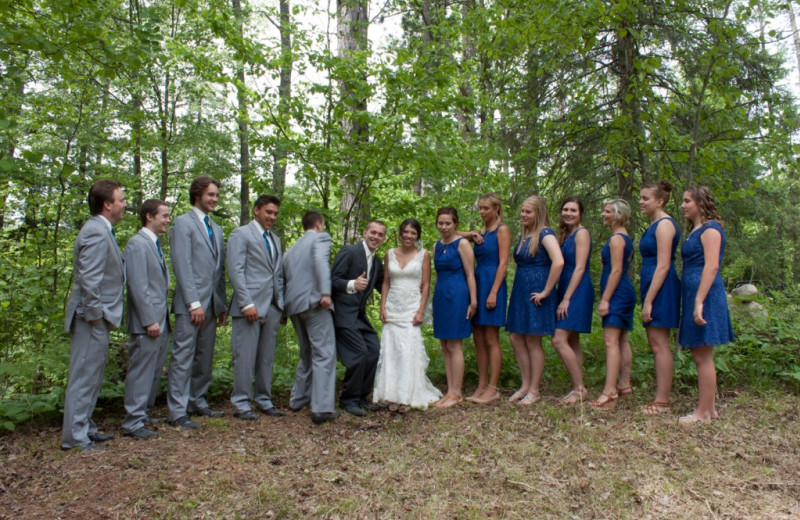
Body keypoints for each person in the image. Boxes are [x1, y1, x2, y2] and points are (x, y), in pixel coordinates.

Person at [62, 179, 126, 452]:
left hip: (98, 316)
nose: (125, 205)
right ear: (107, 204)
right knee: (84, 375)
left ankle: (85, 428)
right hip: (90, 317)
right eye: (121, 200)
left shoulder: (104, 231)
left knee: (93, 375)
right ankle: (74, 438)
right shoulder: (96, 232)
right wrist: (94, 315)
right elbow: (89, 279)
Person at [167, 176, 227, 429]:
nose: (214, 199)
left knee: (204, 356)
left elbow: (218, 271)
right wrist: (193, 303)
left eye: (216, 195)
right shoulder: (182, 223)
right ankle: (177, 411)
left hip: (212, 305)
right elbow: (183, 265)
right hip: (191, 305)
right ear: (197, 194)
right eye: (210, 195)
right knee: (183, 357)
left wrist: (220, 304)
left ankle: (197, 400)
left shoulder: (217, 228)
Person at [678, 186, 734, 424]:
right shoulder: (695, 230)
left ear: (700, 203)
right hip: (694, 293)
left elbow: (711, 266)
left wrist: (699, 300)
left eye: (687, 201)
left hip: (706, 295)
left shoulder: (711, 229)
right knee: (700, 353)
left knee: (703, 355)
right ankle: (709, 409)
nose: (683, 205)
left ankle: (702, 414)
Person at [227, 195, 286, 421]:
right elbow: (236, 270)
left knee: (266, 358)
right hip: (249, 307)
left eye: (275, 214)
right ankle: (241, 403)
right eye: (268, 212)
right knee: (244, 357)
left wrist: (280, 305)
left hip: (272, 307)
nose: (272, 217)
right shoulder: (241, 234)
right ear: (256, 210)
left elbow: (277, 274)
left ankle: (264, 399)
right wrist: (246, 303)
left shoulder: (276, 240)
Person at [373, 218, 442, 412]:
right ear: (400, 233)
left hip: (412, 308)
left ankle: (407, 396)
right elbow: (386, 282)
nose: (409, 236)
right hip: (393, 307)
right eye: (406, 232)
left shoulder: (424, 255)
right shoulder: (389, 254)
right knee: (392, 350)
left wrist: (421, 310)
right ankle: (391, 394)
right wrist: (382, 307)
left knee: (408, 350)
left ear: (417, 236)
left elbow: (427, 284)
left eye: (413, 233)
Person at [505, 196, 564, 405]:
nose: (523, 215)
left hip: (537, 291)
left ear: (538, 214)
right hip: (521, 289)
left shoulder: (545, 234)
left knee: (532, 339)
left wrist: (547, 290)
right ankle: (525, 385)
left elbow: (558, 261)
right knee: (515, 337)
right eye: (522, 211)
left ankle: (535, 390)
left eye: (528, 212)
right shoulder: (525, 234)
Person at [121, 199, 171, 440]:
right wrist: (150, 320)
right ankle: (132, 421)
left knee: (152, 371)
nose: (168, 220)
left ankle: (141, 414)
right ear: (149, 217)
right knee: (140, 371)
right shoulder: (137, 245)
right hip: (147, 323)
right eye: (164, 215)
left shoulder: (155, 244)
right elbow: (138, 287)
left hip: (159, 321)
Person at [284, 211, 338, 425]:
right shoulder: (320, 238)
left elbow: (285, 278)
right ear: (318, 225)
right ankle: (322, 408)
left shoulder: (291, 250)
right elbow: (321, 262)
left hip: (294, 306)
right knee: (324, 352)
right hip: (315, 303)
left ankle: (298, 399)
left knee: (307, 353)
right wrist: (326, 293)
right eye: (323, 225)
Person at [331, 221, 387, 417]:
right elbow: (333, 280)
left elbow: (383, 286)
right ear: (365, 233)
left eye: (380, 235)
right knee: (359, 353)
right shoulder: (349, 251)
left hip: (359, 316)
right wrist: (352, 284)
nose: (376, 237)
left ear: (384, 238)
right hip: (343, 314)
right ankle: (348, 400)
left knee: (374, 350)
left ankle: (362, 397)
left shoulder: (377, 261)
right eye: (373, 232)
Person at [639, 180, 681, 415]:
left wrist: (649, 301)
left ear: (660, 201)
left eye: (646, 198)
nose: (641, 202)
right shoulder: (654, 224)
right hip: (651, 286)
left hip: (662, 288)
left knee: (659, 344)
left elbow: (663, 266)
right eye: (641, 198)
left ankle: (662, 401)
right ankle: (660, 397)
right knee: (655, 343)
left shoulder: (664, 225)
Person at [432, 207, 477, 408]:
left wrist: (473, 301)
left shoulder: (463, 244)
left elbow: (470, 274)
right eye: (440, 223)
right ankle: (449, 391)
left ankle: (457, 393)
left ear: (455, 224)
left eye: (448, 223)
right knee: (444, 345)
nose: (444, 227)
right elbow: (436, 274)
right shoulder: (436, 246)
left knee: (454, 344)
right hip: (441, 294)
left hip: (458, 294)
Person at [593, 199, 636, 409]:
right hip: (622, 292)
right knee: (621, 339)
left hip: (618, 293)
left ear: (618, 215)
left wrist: (605, 299)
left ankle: (610, 391)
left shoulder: (618, 239)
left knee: (611, 341)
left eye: (607, 211)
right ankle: (623, 384)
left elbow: (617, 270)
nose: (603, 214)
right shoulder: (622, 237)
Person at [466, 194, 509, 404]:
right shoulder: (479, 233)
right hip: (478, 282)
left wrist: (494, 292)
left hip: (494, 284)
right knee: (478, 337)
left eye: (486, 209)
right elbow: (452, 234)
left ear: (496, 209)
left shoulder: (501, 230)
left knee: (491, 337)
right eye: (480, 209)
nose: (482, 212)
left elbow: (503, 263)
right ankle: (482, 384)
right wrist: (471, 234)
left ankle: (493, 387)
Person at [552, 197, 592, 404]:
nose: (568, 213)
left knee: (558, 338)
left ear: (580, 213)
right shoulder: (568, 235)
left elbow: (580, 267)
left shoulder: (582, 233)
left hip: (577, 289)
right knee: (572, 339)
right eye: (565, 209)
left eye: (573, 210)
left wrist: (566, 298)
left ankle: (579, 389)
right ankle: (577, 386)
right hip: (566, 286)